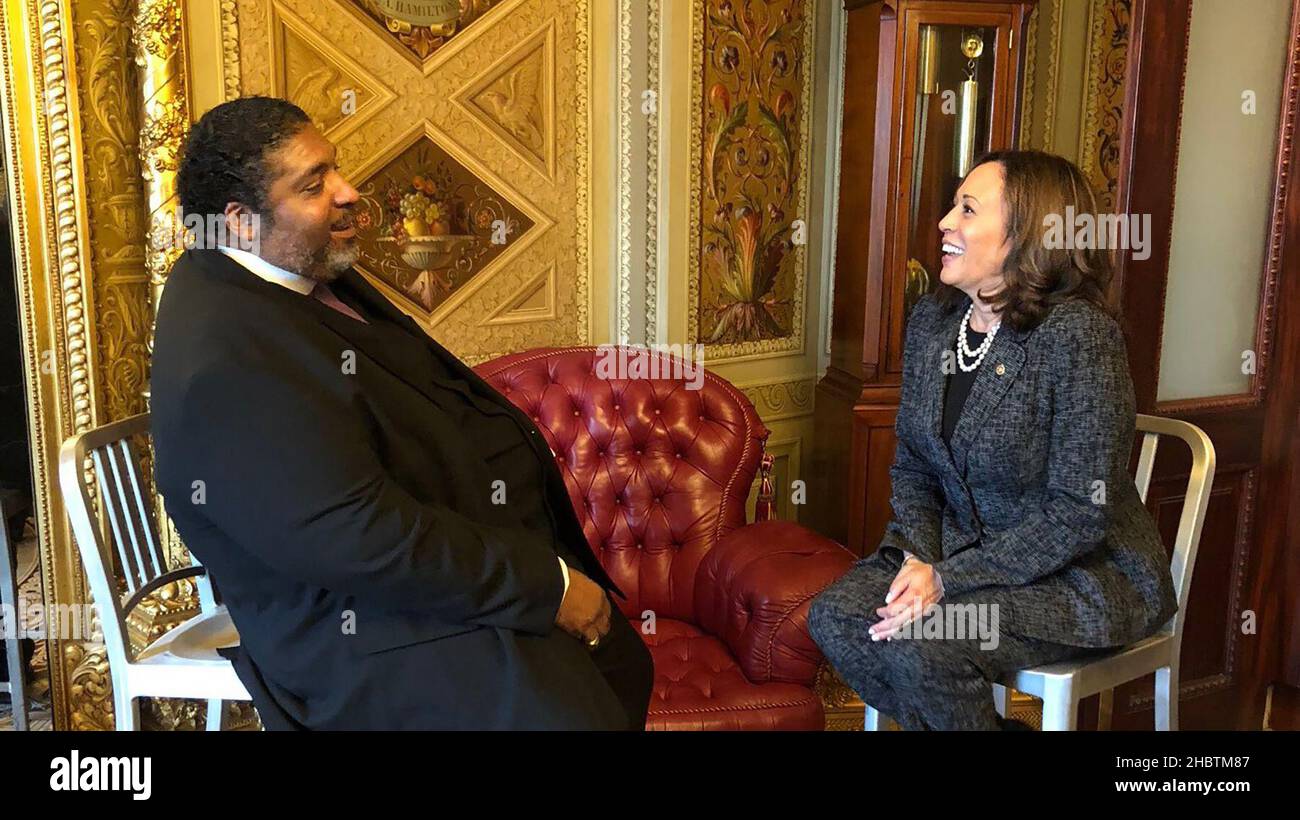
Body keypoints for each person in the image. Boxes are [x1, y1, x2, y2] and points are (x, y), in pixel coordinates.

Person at [150, 96, 653, 730]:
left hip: (416, 586)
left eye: (334, 168)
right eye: (314, 185)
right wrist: (543, 587)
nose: (349, 191)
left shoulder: (295, 271)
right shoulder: (222, 355)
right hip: (358, 631)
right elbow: (357, 538)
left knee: (619, 668)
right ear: (240, 222)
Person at [808, 150, 1177, 731]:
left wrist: (950, 580)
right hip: (955, 553)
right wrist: (921, 557)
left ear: (1025, 234)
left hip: (1075, 576)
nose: (944, 223)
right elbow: (913, 468)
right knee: (837, 615)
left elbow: (1082, 512)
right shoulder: (934, 320)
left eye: (968, 209)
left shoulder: (1079, 337)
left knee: (924, 640)